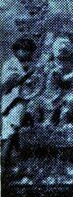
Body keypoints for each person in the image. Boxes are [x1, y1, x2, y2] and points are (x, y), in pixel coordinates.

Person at [1, 37, 38, 167]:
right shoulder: (10, 64)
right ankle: (4, 160)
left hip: (24, 101)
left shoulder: (30, 64)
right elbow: (8, 83)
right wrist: (27, 75)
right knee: (10, 132)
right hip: (11, 102)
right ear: (16, 50)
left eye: (29, 50)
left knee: (14, 131)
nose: (26, 53)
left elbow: (35, 83)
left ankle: (15, 159)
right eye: (23, 49)